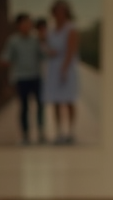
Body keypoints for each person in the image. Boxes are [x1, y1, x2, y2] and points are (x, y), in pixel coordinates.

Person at [0, 13, 45, 144]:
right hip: (21, 78)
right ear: (19, 25)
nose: (27, 26)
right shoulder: (13, 41)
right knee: (24, 107)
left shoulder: (36, 39)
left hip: (36, 76)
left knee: (40, 105)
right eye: (25, 23)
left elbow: (44, 55)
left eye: (29, 23)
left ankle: (41, 132)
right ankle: (25, 134)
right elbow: (5, 58)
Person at [42, 0, 80, 144]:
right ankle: (58, 132)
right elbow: (46, 46)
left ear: (66, 12)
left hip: (66, 67)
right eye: (57, 11)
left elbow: (71, 50)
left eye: (62, 11)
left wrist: (64, 69)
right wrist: (48, 50)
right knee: (56, 101)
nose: (59, 14)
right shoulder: (50, 30)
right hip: (53, 67)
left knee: (69, 100)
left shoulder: (71, 28)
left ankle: (70, 131)